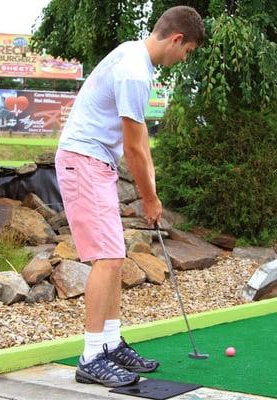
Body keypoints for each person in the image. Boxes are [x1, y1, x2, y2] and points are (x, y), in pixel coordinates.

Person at [54, 6, 205, 388]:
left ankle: (109, 343)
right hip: (83, 160)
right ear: (176, 39)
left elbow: (141, 145)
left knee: (114, 256)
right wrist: (150, 199)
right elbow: (134, 148)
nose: (183, 59)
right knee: (106, 257)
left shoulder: (135, 58)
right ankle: (91, 356)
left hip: (96, 161)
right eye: (187, 52)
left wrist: (151, 189)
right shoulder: (136, 72)